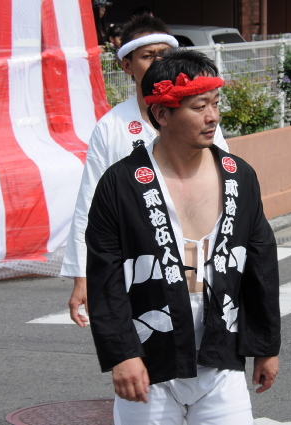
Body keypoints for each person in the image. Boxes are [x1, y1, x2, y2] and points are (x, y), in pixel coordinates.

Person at [85, 49, 281, 424]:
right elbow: (104, 276)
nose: (213, 117)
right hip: (149, 359)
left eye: (215, 103)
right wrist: (122, 353)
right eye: (199, 107)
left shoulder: (239, 176)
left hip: (221, 356)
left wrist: (266, 346)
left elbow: (261, 265)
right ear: (162, 114)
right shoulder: (121, 182)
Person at [60, 15, 230, 327]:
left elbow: (228, 187)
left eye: (165, 54)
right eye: (148, 56)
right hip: (137, 258)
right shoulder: (110, 127)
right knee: (148, 340)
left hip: (196, 252)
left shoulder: (198, 119)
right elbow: (90, 201)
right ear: (127, 65)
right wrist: (82, 273)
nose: (158, 62)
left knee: (205, 338)